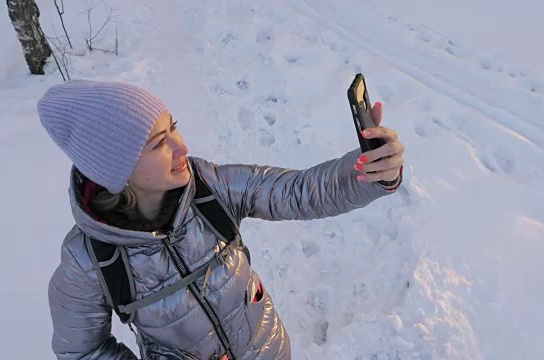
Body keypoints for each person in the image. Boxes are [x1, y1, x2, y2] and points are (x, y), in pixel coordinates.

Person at [39, 79, 404, 360]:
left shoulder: (210, 188)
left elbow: (299, 191)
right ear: (116, 171)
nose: (182, 147)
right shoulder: (88, 260)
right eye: (158, 143)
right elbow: (82, 351)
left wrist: (370, 171)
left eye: (174, 127)